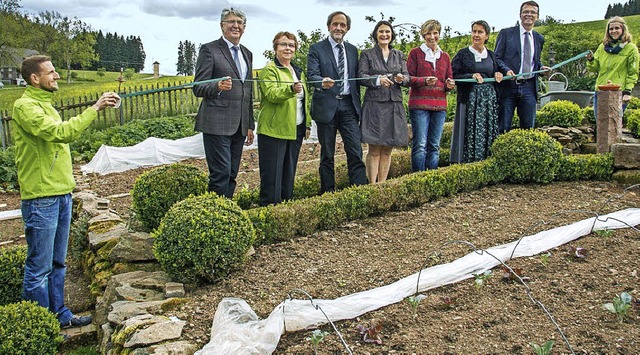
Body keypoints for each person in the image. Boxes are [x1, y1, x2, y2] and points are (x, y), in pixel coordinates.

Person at [11, 55, 119, 328]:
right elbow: (61, 133)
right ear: (35, 78)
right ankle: (39, 327)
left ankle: (59, 316)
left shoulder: (46, 106)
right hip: (40, 198)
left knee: (59, 263)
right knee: (38, 269)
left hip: (61, 194)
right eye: (51, 72)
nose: (57, 75)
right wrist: (94, 109)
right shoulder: (25, 107)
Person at [193, 7, 254, 199]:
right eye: (231, 22)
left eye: (240, 23)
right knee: (220, 174)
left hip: (239, 125)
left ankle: (226, 212)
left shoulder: (247, 53)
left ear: (244, 27)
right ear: (222, 26)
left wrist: (250, 124)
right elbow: (198, 87)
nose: (236, 26)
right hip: (216, 123)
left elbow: (248, 91)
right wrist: (217, 86)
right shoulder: (209, 50)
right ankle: (214, 217)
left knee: (232, 174)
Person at [307, 11, 368, 193]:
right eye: (335, 24)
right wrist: (322, 83)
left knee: (355, 151)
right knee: (327, 154)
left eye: (342, 25)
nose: (338, 28)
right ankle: (328, 192)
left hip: (349, 106)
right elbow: (312, 76)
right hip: (326, 106)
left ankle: (358, 191)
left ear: (347, 28)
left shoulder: (352, 50)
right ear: (328, 26)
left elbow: (358, 77)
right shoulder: (316, 49)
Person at [256, 32, 311, 205]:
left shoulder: (298, 71)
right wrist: (290, 90)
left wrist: (307, 123)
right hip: (275, 129)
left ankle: (285, 210)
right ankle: (269, 211)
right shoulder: (270, 70)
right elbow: (272, 94)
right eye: (283, 44)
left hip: (295, 128)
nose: (288, 48)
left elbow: (304, 100)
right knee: (272, 175)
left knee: (289, 173)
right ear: (275, 48)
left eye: (291, 45)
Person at [358, 21, 410, 183]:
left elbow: (407, 77)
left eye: (387, 31)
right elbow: (361, 76)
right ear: (376, 34)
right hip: (375, 106)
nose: (384, 34)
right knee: (374, 148)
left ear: (392, 35)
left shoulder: (399, 55)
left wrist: (402, 79)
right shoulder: (367, 54)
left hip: (394, 105)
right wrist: (378, 80)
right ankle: (372, 185)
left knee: (388, 149)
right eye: (381, 31)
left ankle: (382, 184)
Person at [450, 20, 506, 163]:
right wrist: (471, 76)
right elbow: (452, 75)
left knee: (487, 130)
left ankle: (487, 161)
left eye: (480, 32)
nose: (476, 35)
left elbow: (497, 72)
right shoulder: (463, 54)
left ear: (486, 36)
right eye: (474, 31)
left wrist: (498, 75)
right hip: (470, 100)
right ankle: (469, 162)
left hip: (488, 101)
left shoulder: (492, 55)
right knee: (470, 130)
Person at [406, 19, 455, 172]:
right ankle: (417, 178)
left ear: (439, 34)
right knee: (420, 145)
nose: (432, 37)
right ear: (423, 35)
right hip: (419, 105)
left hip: (440, 106)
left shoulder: (445, 56)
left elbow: (448, 79)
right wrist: (424, 81)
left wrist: (449, 85)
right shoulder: (415, 53)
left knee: (434, 145)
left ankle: (431, 177)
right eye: (428, 33)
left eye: (435, 33)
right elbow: (408, 78)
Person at [495, 1, 549, 132]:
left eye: (532, 12)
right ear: (520, 15)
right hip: (508, 87)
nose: (529, 15)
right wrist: (506, 70)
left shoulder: (539, 38)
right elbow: (496, 58)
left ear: (537, 16)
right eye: (526, 12)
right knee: (503, 127)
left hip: (529, 88)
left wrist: (541, 68)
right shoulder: (506, 34)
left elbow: (535, 61)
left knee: (528, 129)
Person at [586, 16, 639, 113]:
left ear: (623, 29)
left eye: (617, 28)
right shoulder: (602, 47)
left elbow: (633, 72)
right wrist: (591, 60)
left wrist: (627, 92)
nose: (613, 31)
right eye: (611, 29)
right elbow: (594, 68)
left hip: (618, 92)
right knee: (601, 124)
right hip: (601, 90)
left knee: (613, 125)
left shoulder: (631, 48)